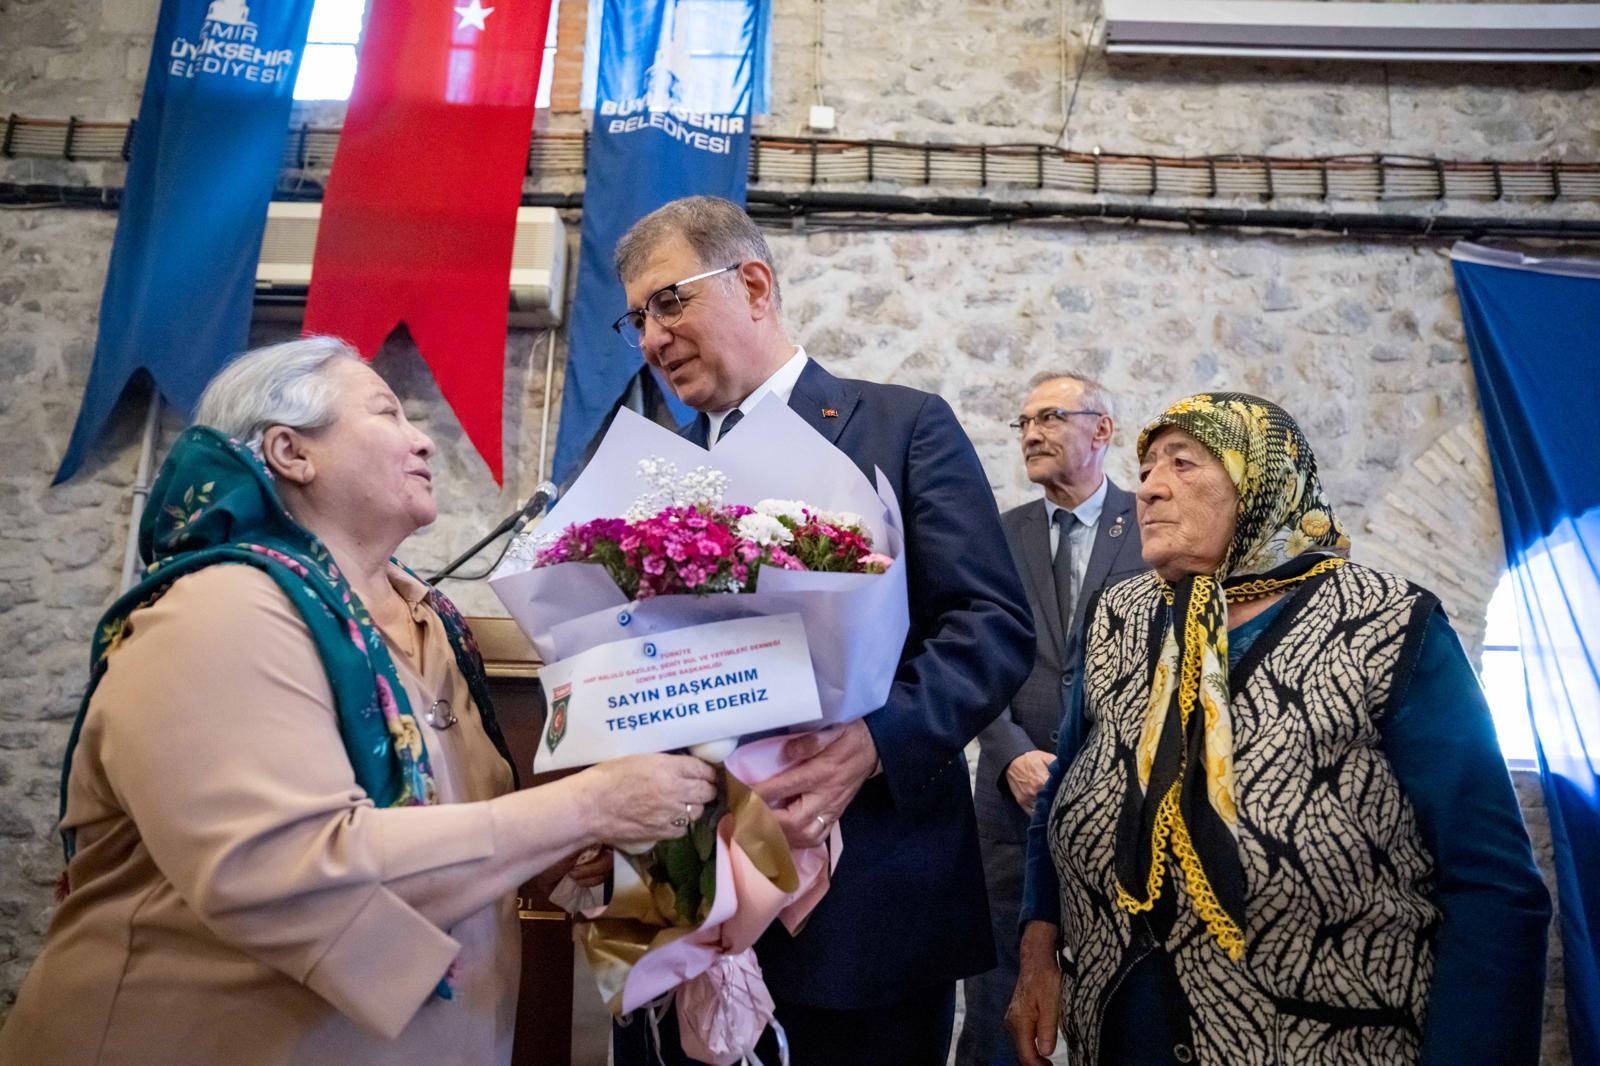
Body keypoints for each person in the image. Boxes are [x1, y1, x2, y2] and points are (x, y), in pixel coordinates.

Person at [0, 338, 717, 1066]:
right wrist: (587, 806)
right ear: (290, 452)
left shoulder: (433, 625)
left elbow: (447, 827)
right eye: (386, 413)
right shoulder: (222, 608)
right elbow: (281, 872)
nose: (423, 440)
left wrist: (562, 855)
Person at [606, 195, 1035, 1064]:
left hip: (866, 907)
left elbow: (990, 625)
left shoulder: (902, 427)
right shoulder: (650, 472)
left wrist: (875, 743)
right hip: (684, 896)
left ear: (753, 284)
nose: (651, 337)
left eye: (669, 301)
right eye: (637, 319)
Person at [1005, 392, 1551, 1066]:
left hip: (1325, 1039)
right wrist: (1038, 948)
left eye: (1182, 464)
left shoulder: (1386, 625)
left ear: (1262, 482)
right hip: (1121, 1030)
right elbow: (1062, 792)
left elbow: (1492, 882)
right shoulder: (1120, 616)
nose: (1148, 489)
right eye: (1145, 470)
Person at [958, 372, 1145, 1066]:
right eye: (1025, 423)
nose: (1032, 434)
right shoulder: (997, 535)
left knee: (1123, 996)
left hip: (1122, 805)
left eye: (1050, 418)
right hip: (1011, 806)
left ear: (1102, 430)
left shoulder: (1150, 526)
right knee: (995, 1005)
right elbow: (971, 652)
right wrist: (1008, 752)